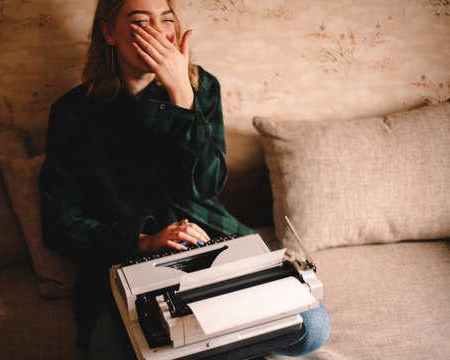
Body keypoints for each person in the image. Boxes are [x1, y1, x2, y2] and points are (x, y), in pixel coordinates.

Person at [39, 0, 330, 358]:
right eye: (140, 21)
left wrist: (181, 95)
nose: (159, 33)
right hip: (127, 259)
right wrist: (144, 240)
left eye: (166, 19)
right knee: (110, 349)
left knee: (312, 328)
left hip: (210, 238)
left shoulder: (202, 86)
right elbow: (59, 224)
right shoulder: (72, 113)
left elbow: (207, 185)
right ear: (108, 32)